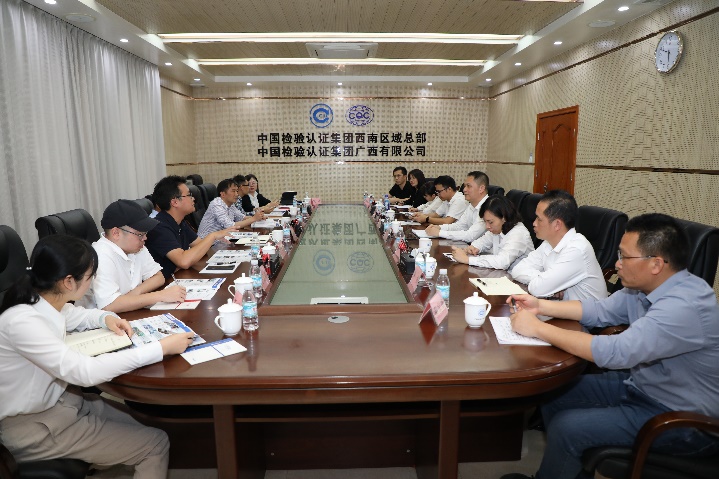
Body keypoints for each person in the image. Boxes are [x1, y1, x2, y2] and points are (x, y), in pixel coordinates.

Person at [502, 213, 719, 479]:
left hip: (681, 419)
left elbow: (615, 352)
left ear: (656, 264)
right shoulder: (642, 288)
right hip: (643, 387)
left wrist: (537, 328)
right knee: (554, 394)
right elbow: (599, 310)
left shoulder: (684, 305)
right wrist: (540, 306)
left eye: (625, 257)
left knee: (569, 428)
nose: (617, 264)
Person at [0, 235, 194, 478]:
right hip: (36, 426)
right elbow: (85, 372)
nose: (92, 282)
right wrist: (160, 348)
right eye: (91, 276)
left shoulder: (45, 302)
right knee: (155, 444)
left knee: (148, 424)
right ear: (68, 281)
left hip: (66, 402)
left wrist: (106, 318)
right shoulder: (22, 322)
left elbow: (81, 316)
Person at [77, 199, 187, 313]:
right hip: (97, 321)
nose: (145, 238)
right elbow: (109, 306)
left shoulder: (136, 247)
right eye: (140, 234)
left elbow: (158, 277)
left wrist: (135, 293)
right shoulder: (100, 255)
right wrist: (161, 296)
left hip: (127, 313)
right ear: (116, 233)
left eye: (145, 233)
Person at [510, 190, 607, 301]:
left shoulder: (577, 249)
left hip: (587, 312)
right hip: (561, 307)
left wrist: (546, 283)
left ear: (557, 224)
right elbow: (517, 270)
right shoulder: (548, 242)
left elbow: (537, 289)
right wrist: (547, 282)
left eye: (539, 219)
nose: (534, 223)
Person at [145, 175, 236, 279]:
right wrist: (212, 236)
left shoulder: (180, 222)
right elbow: (184, 261)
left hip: (178, 276)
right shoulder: (159, 227)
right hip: (165, 283)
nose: (193, 198)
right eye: (189, 195)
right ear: (175, 202)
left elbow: (200, 247)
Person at [451, 195, 534, 270]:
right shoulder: (498, 228)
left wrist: (467, 259)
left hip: (518, 280)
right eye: (485, 222)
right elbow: (483, 241)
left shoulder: (518, 234)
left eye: (490, 222)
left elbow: (502, 262)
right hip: (502, 275)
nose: (487, 226)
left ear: (504, 218)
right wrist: (474, 248)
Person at [198, 178, 266, 247]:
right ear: (223, 194)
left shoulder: (230, 204)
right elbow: (230, 226)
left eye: (237, 191)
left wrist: (258, 217)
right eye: (233, 191)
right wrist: (254, 219)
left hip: (222, 241)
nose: (236, 194)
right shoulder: (217, 205)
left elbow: (242, 217)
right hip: (206, 245)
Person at [425, 171, 489, 243]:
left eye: (468, 186)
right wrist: (439, 227)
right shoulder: (472, 205)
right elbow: (459, 226)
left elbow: (470, 236)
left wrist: (440, 233)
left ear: (481, 189)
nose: (464, 189)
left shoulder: (488, 208)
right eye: (464, 186)